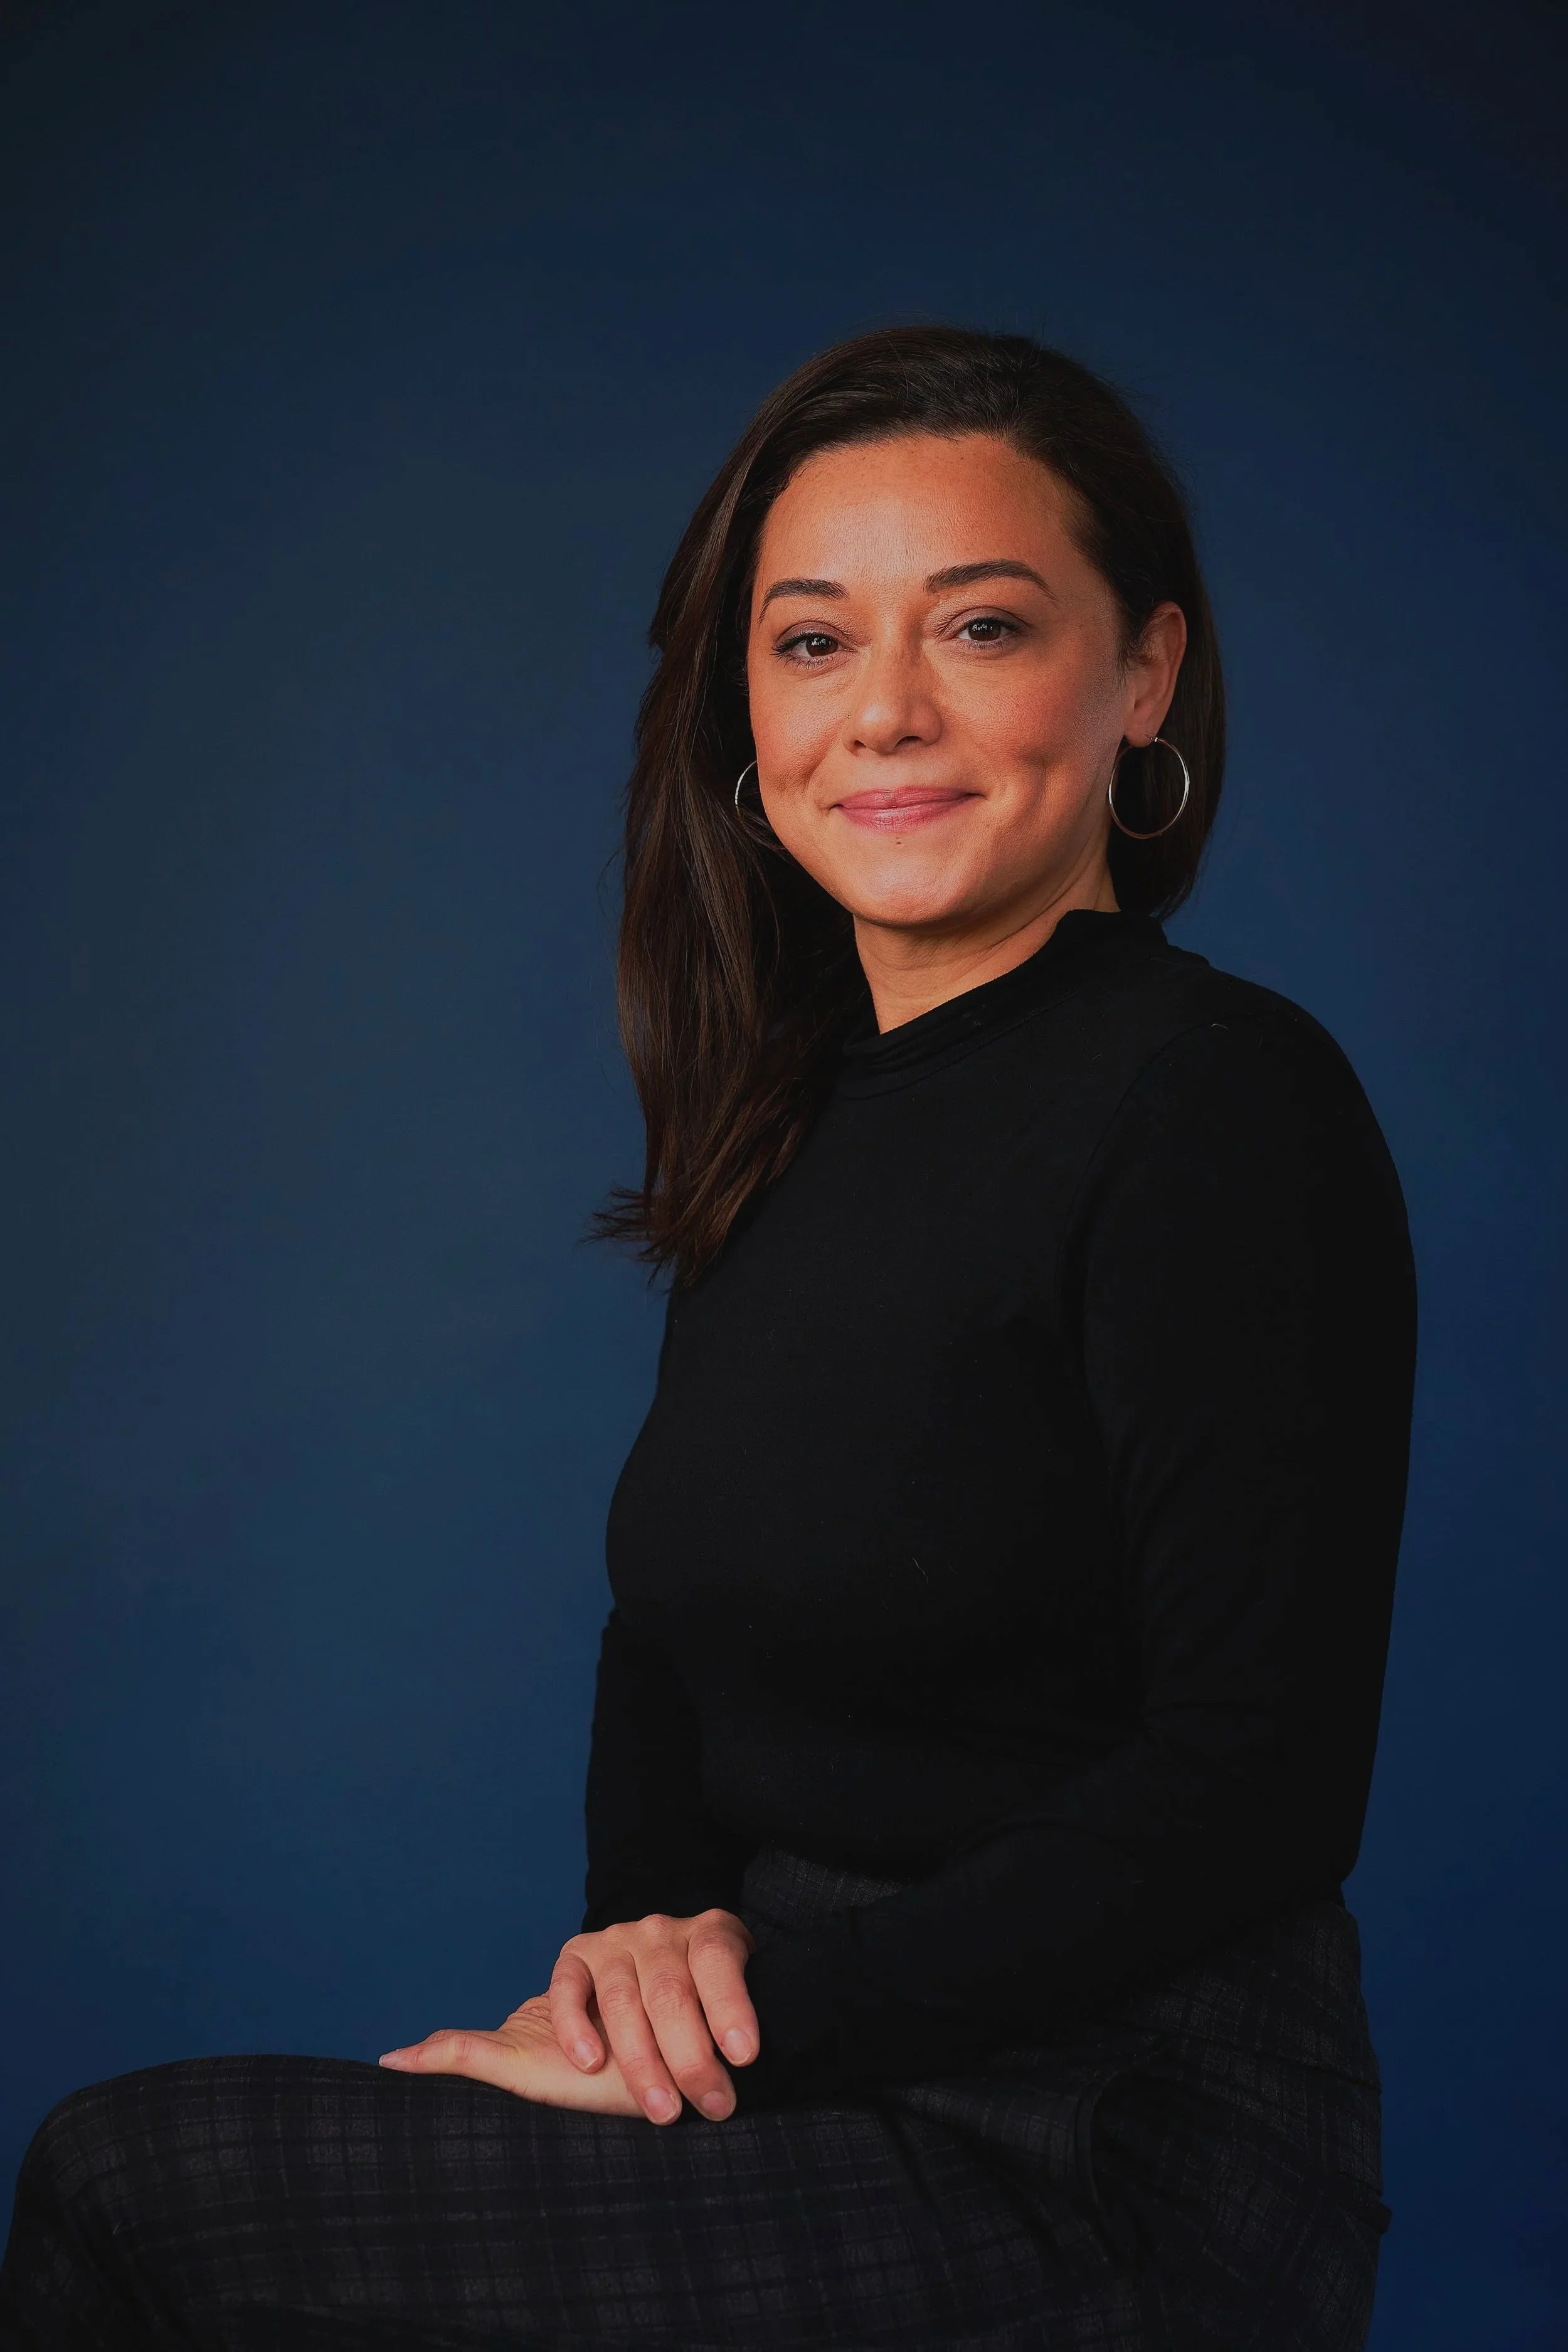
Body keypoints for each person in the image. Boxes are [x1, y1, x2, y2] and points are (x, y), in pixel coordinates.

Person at [0, 326, 1416, 2350]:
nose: (886, 709)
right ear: (745, 717)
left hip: (1110, 2126)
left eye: (983, 625)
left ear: (1142, 675)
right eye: (813, 641)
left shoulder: (1217, 1095)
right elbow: (669, 1633)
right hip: (815, 2051)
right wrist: (635, 1964)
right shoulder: (792, 1120)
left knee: (136, 2184)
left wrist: (742, 2029)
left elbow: (1255, 1778)